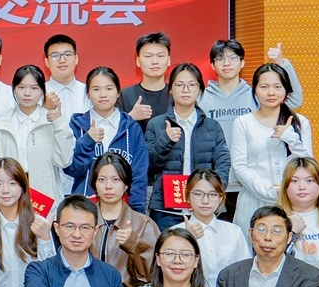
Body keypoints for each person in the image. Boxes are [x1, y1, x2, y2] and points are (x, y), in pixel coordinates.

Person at [143, 62, 230, 231]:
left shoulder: (212, 126)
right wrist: (166, 140)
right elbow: (149, 165)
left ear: (200, 89)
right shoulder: (157, 124)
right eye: (180, 85)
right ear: (170, 89)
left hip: (204, 208)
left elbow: (223, 164)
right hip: (166, 210)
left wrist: (212, 194)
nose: (186, 90)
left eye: (192, 85)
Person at [229, 63, 312, 229]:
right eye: (264, 87)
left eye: (277, 87)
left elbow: (308, 165)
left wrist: (290, 138)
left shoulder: (300, 122)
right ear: (255, 90)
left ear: (286, 90)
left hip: (291, 200)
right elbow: (239, 166)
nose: (271, 93)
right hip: (253, 199)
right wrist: (267, 192)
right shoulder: (243, 122)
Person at [65, 66, 148, 211]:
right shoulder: (77, 126)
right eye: (96, 89)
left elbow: (139, 174)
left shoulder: (131, 128)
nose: (103, 94)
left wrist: (135, 211)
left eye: (109, 89)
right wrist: (87, 141)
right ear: (88, 93)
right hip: (84, 208)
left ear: (118, 92)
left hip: (122, 209)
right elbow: (72, 169)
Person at [0, 157, 56, 287]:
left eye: (12, 183)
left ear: (22, 187)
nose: (5, 190)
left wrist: (45, 239)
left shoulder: (39, 223)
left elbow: (51, 274)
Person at [0, 64, 73, 204]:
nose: (27, 93)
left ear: (42, 92)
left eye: (34, 88)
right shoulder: (0, 126)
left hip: (45, 196)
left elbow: (64, 161)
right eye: (21, 87)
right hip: (10, 196)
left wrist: (59, 124)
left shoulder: (53, 123)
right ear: (14, 89)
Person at [199, 39, 306, 145]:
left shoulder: (255, 95)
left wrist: (282, 64)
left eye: (233, 58)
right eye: (220, 58)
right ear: (212, 65)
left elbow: (294, 101)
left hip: (251, 156)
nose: (226, 63)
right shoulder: (201, 98)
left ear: (242, 63)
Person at [86, 151, 160, 287]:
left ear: (126, 185)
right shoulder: (83, 221)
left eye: (116, 180)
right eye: (102, 180)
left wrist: (133, 245)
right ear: (94, 184)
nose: (108, 186)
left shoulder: (144, 224)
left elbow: (152, 277)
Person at [171, 170, 249, 287]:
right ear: (187, 196)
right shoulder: (174, 233)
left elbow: (244, 272)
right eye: (198, 194)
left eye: (212, 194)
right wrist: (186, 240)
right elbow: (169, 273)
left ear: (220, 198)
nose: (205, 201)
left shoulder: (234, 232)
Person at [281, 157, 319, 263]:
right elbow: (270, 262)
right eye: (294, 181)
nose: (302, 187)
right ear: (285, 186)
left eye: (309, 180)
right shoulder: (273, 220)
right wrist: (291, 232)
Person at [118, 32, 173, 123]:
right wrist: (130, 117)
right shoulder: (124, 96)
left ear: (169, 60)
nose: (155, 61)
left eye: (160, 56)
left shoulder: (177, 95)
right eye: (148, 56)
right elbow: (112, 128)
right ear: (138, 61)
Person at [43, 34, 90, 118]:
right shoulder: (39, 93)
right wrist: (44, 109)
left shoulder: (88, 92)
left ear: (76, 59)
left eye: (67, 55)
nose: (62, 60)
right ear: (47, 62)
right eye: (55, 56)